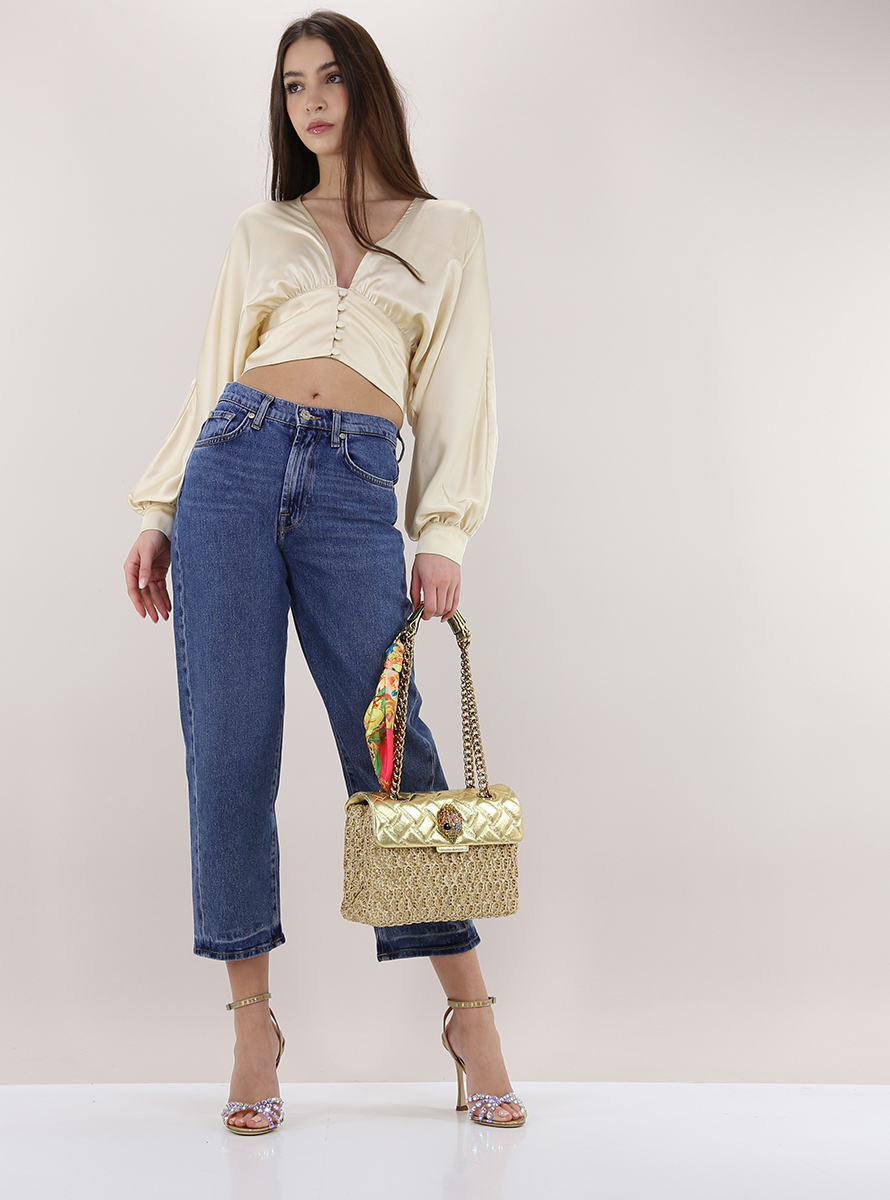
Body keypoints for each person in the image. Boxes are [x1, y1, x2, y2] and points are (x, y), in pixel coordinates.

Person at [123, 10, 525, 1134]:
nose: (310, 101)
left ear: (366, 88)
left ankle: (472, 1017)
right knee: (231, 748)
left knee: (392, 746)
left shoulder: (448, 232)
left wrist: (442, 532)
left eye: (330, 78)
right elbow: (213, 369)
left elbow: (461, 387)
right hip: (233, 468)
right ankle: (253, 1029)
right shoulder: (262, 229)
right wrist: (159, 507)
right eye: (293, 84)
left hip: (355, 488)